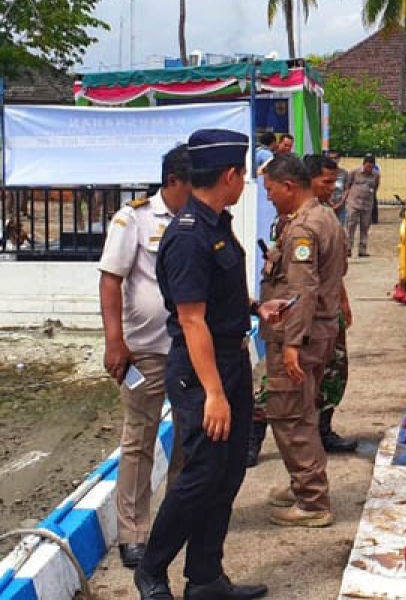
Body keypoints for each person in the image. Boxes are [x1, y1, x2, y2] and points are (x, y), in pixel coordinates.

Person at [134, 128, 280, 600]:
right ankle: (152, 570)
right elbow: (191, 321)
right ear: (230, 175)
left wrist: (256, 308)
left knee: (228, 471)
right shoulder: (188, 237)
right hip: (202, 372)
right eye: (244, 175)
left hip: (230, 360)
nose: (246, 183)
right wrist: (214, 393)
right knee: (200, 474)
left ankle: (205, 577)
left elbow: (218, 298)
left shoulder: (217, 224)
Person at [99, 144, 191, 570]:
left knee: (190, 438)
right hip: (145, 351)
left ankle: (176, 521)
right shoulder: (133, 219)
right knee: (139, 440)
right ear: (173, 181)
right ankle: (133, 533)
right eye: (193, 184)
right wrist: (114, 341)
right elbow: (111, 281)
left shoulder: (197, 219)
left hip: (189, 348)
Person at [259, 154, 347, 527]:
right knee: (303, 410)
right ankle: (304, 484)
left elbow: (302, 290)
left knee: (291, 414)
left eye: (271, 191)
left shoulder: (302, 230)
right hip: (321, 330)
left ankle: (312, 501)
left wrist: (292, 342)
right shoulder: (325, 216)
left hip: (301, 336)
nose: (269, 198)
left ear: (289, 187)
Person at [303, 154, 356, 453]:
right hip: (308, 313)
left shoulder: (326, 214)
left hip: (330, 307)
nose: (332, 187)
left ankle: (323, 429)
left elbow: (332, 268)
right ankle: (253, 437)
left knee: (335, 371)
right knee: (284, 382)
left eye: (334, 181)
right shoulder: (297, 219)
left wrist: (343, 301)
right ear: (308, 180)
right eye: (326, 182)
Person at [344, 155, 379, 257]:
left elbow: (376, 187)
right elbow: (347, 185)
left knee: (365, 226)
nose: (369, 169)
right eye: (367, 166)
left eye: (371, 167)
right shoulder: (354, 173)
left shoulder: (376, 175)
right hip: (353, 203)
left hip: (367, 205)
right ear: (363, 164)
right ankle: (348, 248)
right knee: (350, 226)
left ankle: (362, 250)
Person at [327, 151, 349, 226]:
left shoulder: (344, 173)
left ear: (339, 159)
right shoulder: (324, 172)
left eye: (335, 158)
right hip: (327, 204)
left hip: (341, 205)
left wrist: (341, 202)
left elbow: (346, 189)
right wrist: (329, 202)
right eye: (330, 158)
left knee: (340, 227)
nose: (333, 160)